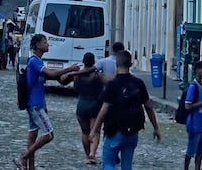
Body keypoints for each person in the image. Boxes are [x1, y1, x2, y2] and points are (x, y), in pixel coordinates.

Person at [14, 33, 80, 170]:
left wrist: (73, 75)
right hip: (35, 104)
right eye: (45, 42)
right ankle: (23, 157)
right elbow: (53, 74)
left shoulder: (39, 61)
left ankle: (30, 167)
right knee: (48, 134)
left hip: (37, 103)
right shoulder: (34, 61)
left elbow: (58, 79)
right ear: (37, 46)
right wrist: (70, 68)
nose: (47, 45)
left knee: (33, 136)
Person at [90, 50, 162, 170]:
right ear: (131, 64)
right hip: (133, 131)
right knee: (127, 165)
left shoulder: (112, 84)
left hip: (114, 130)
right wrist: (155, 128)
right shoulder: (138, 83)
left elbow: (105, 108)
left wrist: (94, 129)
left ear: (116, 64)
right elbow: (148, 107)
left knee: (108, 163)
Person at [60, 52, 105, 164]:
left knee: (85, 132)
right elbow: (109, 83)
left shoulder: (77, 75)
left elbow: (63, 80)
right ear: (94, 62)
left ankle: (86, 155)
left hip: (81, 104)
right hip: (95, 104)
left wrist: (71, 72)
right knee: (95, 131)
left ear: (83, 61)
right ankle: (92, 154)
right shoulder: (97, 75)